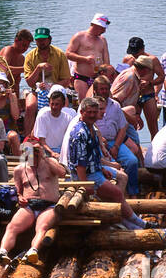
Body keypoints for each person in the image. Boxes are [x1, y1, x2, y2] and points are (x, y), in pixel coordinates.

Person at [63, 97, 147, 228]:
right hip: (87, 176)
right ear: (82, 112)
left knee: (115, 193)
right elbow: (80, 164)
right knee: (117, 194)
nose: (92, 115)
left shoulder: (91, 128)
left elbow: (93, 156)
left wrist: (102, 169)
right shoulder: (80, 133)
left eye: (94, 112)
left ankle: (131, 225)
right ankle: (140, 223)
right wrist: (85, 185)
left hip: (94, 171)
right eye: (88, 112)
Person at [0, 137, 65, 266]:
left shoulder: (49, 162)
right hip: (29, 205)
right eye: (29, 150)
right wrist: (19, 196)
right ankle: (3, 251)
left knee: (42, 227)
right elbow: (17, 191)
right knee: (12, 227)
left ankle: (33, 251)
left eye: (35, 149)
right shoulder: (19, 169)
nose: (32, 153)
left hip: (49, 205)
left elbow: (62, 173)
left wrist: (43, 156)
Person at [22, 26, 72, 135]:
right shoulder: (30, 56)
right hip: (36, 90)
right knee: (30, 106)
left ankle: (64, 135)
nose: (41, 42)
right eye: (38, 40)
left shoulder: (60, 54)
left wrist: (51, 87)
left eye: (43, 39)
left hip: (56, 90)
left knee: (65, 106)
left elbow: (66, 80)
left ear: (49, 39)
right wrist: (38, 68)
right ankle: (28, 138)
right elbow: (30, 83)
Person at [96, 93, 140, 195]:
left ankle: (133, 192)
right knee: (114, 167)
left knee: (132, 161)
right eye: (102, 89)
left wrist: (116, 146)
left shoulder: (115, 105)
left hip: (114, 140)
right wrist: (100, 140)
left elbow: (123, 127)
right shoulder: (88, 110)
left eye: (106, 89)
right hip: (99, 144)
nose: (104, 112)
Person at [67, 15, 111, 99]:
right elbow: (68, 54)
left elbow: (106, 60)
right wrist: (85, 59)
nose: (104, 31)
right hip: (81, 77)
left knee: (100, 102)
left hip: (98, 78)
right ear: (96, 25)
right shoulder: (79, 36)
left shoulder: (103, 40)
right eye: (103, 28)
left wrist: (106, 72)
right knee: (84, 103)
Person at [0, 71, 23, 153]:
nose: (1, 86)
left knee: (14, 136)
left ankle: (20, 162)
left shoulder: (12, 96)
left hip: (9, 130)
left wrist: (11, 99)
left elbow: (16, 116)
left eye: (3, 83)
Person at [34, 84, 75, 152]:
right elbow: (42, 141)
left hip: (62, 151)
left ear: (62, 104)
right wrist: (52, 153)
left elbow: (69, 140)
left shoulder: (68, 118)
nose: (54, 107)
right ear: (49, 103)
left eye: (57, 104)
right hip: (46, 150)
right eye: (52, 104)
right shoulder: (43, 116)